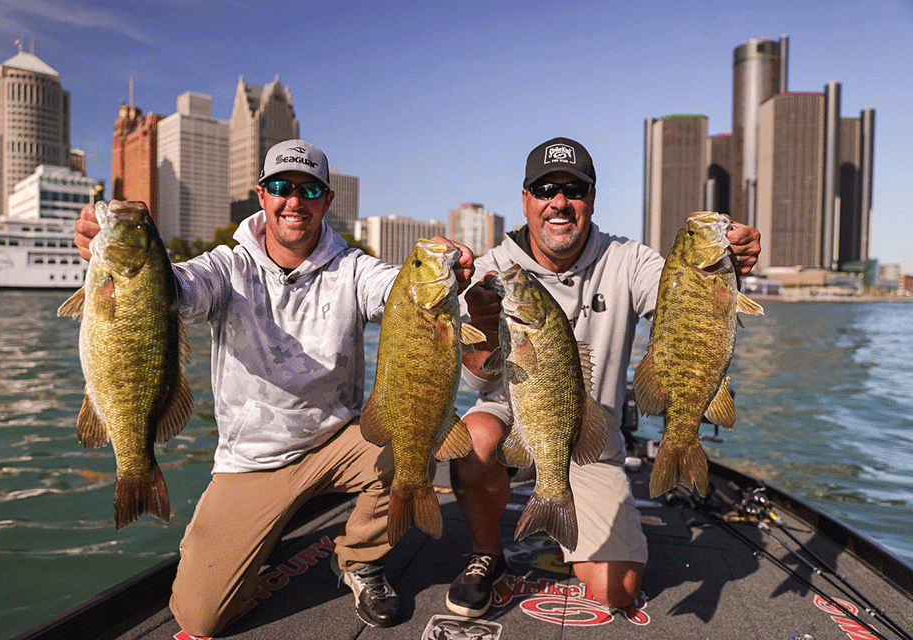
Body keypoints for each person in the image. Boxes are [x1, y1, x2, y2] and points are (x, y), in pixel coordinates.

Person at [74, 139, 475, 637]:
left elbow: (394, 290)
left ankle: (357, 560)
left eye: (309, 190)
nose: (295, 201)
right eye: (283, 187)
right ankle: (250, 540)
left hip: (337, 442)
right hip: (254, 461)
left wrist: (442, 276)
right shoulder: (227, 265)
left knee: (414, 439)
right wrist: (121, 256)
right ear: (262, 195)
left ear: (327, 201)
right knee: (199, 616)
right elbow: (181, 290)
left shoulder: (352, 268)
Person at [446, 136, 761, 618]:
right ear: (526, 198)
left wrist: (726, 262)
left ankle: (566, 514)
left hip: (592, 427)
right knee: (474, 437)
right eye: (546, 188)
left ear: (591, 198)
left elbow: (683, 301)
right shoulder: (491, 272)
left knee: (617, 591)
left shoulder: (630, 260)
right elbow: (475, 380)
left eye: (574, 189)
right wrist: (484, 324)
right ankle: (487, 554)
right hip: (517, 411)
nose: (560, 202)